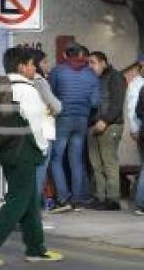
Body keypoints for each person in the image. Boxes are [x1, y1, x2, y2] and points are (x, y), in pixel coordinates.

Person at [0, 47, 64, 266]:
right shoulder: (26, 89)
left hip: (8, 150)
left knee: (30, 200)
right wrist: (42, 150)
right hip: (25, 151)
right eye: (32, 64)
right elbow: (35, 125)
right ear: (22, 66)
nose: (35, 68)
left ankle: (35, 248)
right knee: (19, 199)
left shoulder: (2, 86)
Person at [48, 44, 101, 212]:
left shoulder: (57, 71)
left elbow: (50, 96)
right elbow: (95, 102)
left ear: (65, 55)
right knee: (76, 160)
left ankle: (63, 198)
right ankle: (78, 199)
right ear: (82, 56)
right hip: (81, 120)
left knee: (56, 158)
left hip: (62, 118)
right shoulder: (91, 74)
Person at [86, 51, 127, 210]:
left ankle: (113, 200)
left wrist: (105, 120)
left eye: (93, 62)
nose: (90, 66)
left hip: (110, 125)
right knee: (96, 163)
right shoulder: (94, 78)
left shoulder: (116, 77)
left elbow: (117, 102)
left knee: (109, 162)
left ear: (104, 62)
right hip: (93, 125)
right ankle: (99, 197)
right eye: (89, 63)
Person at [30, 49, 62, 209]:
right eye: (44, 62)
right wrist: (54, 108)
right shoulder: (39, 81)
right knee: (40, 170)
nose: (47, 65)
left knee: (33, 171)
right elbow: (56, 106)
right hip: (44, 130)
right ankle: (34, 207)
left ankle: (35, 204)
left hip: (32, 130)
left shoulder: (26, 81)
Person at [124, 56, 144, 215]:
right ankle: (139, 202)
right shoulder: (136, 84)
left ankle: (137, 200)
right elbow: (132, 110)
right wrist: (134, 129)